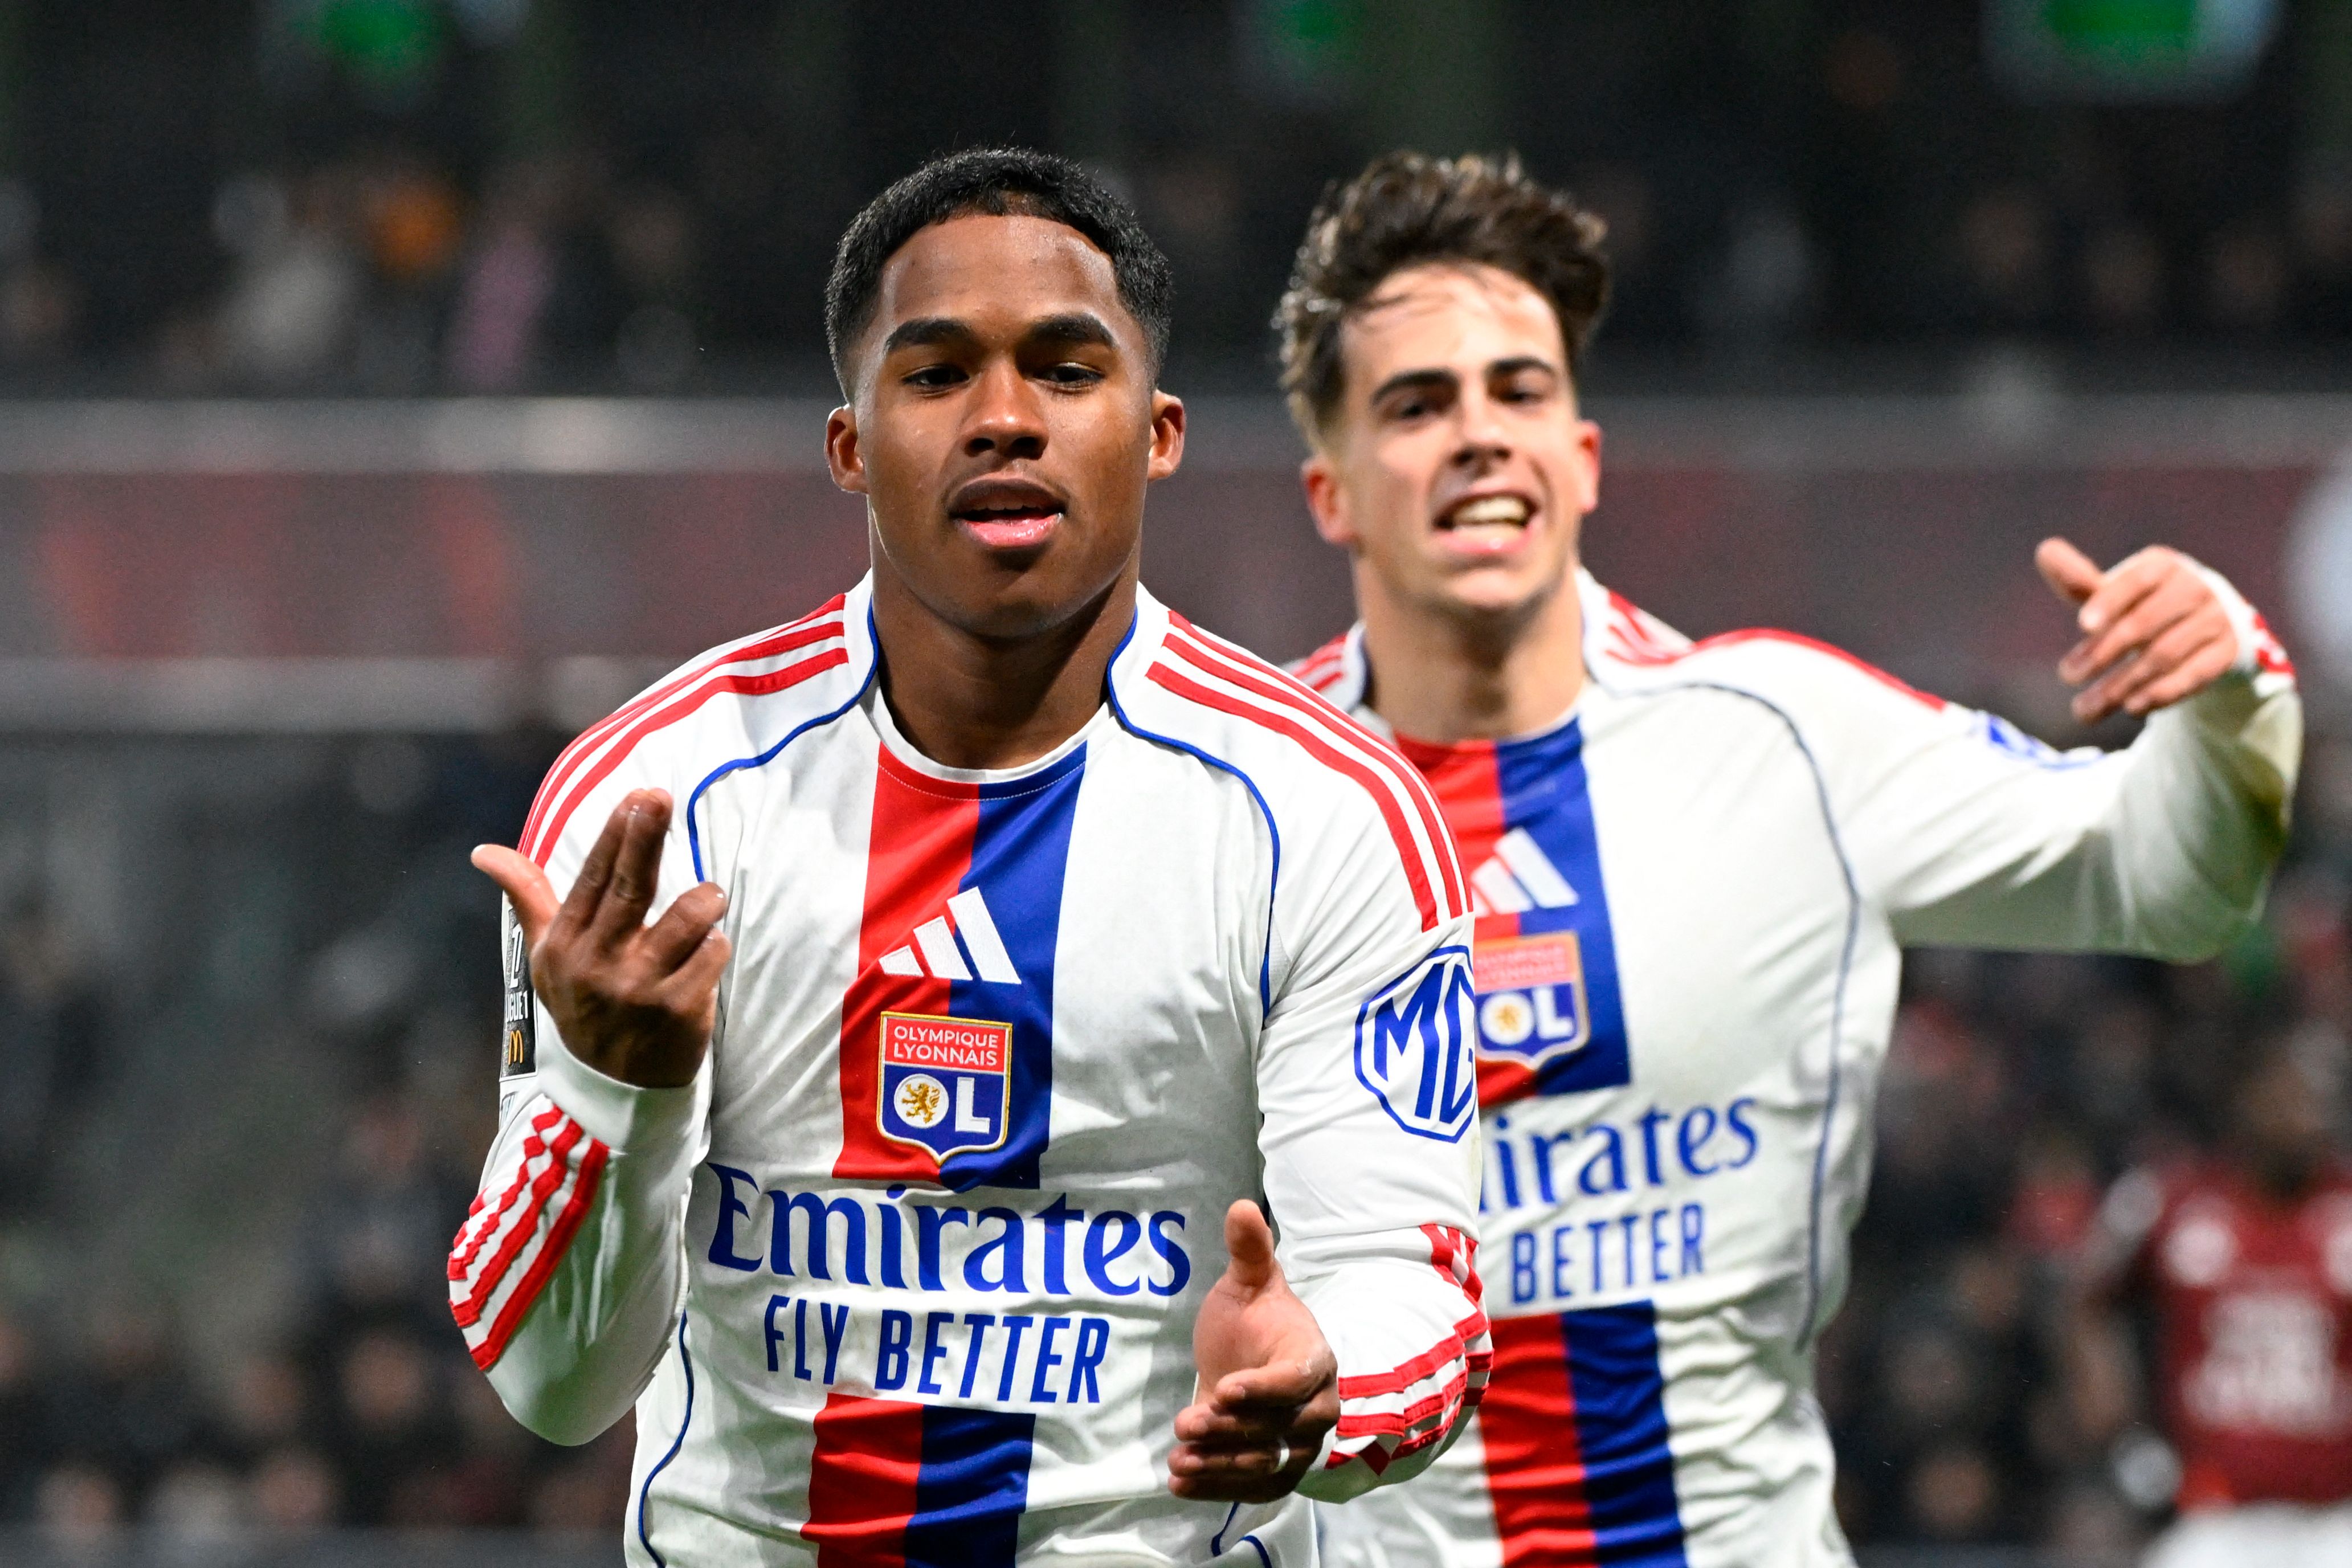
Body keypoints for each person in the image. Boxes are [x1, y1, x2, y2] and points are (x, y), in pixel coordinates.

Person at [449, 149, 1490, 1566]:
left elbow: (1407, 1292)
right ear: (849, 445)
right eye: (935, 375)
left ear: (1160, 430)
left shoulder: (1322, 814)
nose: (1004, 418)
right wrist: (617, 1093)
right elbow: (553, 1384)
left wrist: (1326, 1388)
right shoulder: (660, 800)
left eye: (1066, 370)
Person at [1275, 151, 2303, 1567]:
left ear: (1579, 457)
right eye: (1413, 403)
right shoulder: (1244, 805)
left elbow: (2167, 881)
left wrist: (2230, 690)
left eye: (1518, 390)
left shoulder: (1787, 739)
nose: (1475, 435)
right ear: (1328, 489)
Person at [2069, 1038, 2352, 1568]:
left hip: (2338, 1521)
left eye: (2324, 1099)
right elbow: (2086, 1300)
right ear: (2248, 1101)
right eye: (2295, 1097)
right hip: (2216, 1524)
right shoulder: (2173, 1203)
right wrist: (2117, 1425)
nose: (2313, 1116)